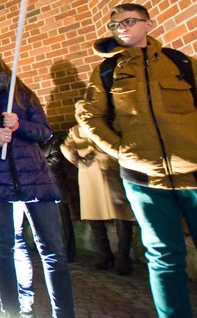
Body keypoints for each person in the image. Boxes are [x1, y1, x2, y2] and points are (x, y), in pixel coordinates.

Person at [77, 3, 197, 317]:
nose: (120, 28)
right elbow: (89, 115)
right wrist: (122, 152)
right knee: (163, 257)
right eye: (114, 25)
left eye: (128, 21)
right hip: (144, 179)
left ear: (148, 25)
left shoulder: (181, 63)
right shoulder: (107, 71)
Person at [0, 47, 74, 317]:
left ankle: (64, 312)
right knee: (2, 248)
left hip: (33, 179)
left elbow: (45, 132)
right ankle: (10, 311)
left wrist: (19, 125)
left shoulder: (21, 93)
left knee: (52, 250)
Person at [62, 100, 135, 275]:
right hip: (88, 175)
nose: (80, 112)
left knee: (120, 212)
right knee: (93, 214)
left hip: (109, 171)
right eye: (77, 109)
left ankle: (123, 256)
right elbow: (65, 146)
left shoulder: (107, 125)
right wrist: (76, 159)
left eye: (83, 109)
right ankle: (105, 254)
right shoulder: (75, 130)